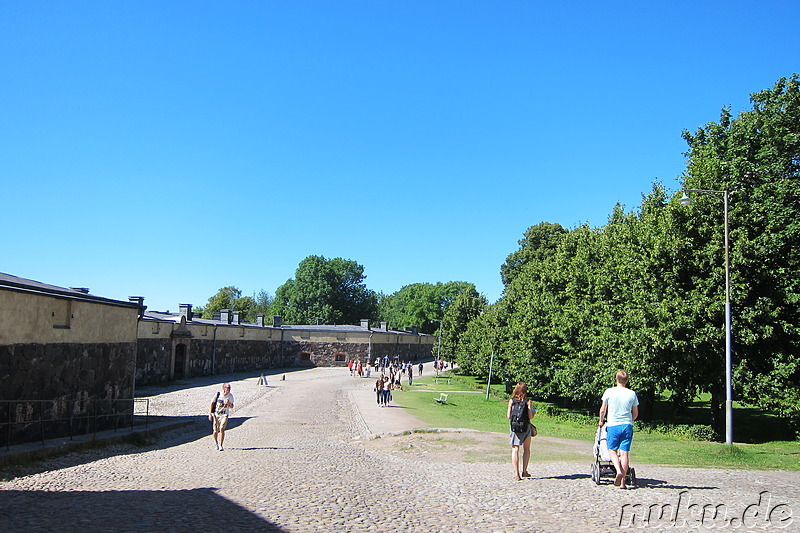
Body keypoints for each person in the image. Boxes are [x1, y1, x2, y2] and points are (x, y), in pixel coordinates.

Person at [598, 370, 639, 489]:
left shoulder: (609, 392)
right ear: (627, 381)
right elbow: (635, 414)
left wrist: (601, 420)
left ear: (616, 379)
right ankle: (623, 483)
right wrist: (630, 420)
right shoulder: (632, 394)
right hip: (627, 425)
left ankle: (618, 471)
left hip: (613, 425)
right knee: (624, 453)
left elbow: (602, 409)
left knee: (612, 451)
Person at [507, 382, 536, 481]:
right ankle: (524, 471)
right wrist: (534, 412)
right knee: (526, 449)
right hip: (525, 427)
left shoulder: (512, 401)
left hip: (515, 427)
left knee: (515, 450)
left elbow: (508, 416)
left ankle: (516, 474)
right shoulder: (528, 401)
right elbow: (530, 416)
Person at [209, 382, 235, 451]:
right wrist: (210, 414)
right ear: (224, 388)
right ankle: (215, 442)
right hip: (216, 414)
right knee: (215, 431)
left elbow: (232, 406)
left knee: (222, 428)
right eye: (228, 388)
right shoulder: (218, 395)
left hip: (224, 414)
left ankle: (221, 445)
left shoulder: (230, 396)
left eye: (230, 388)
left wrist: (229, 404)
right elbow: (212, 403)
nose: (229, 389)